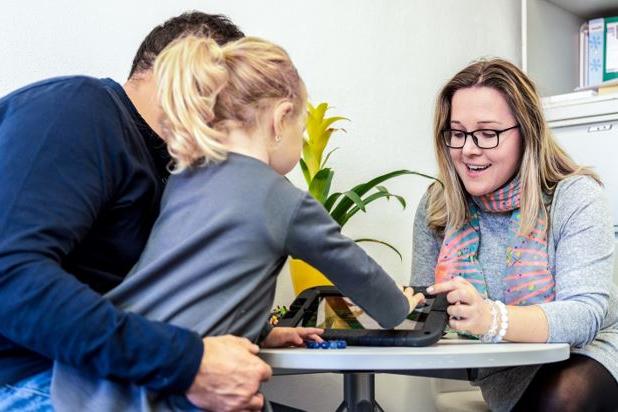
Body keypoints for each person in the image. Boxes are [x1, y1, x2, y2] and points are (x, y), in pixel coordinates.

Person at [49, 34, 424, 411]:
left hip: (101, 381)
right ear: (280, 119)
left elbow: (192, 281)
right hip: (178, 393)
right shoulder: (280, 198)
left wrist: (264, 331)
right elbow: (359, 273)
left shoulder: (184, 178)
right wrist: (400, 305)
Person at [0, 11, 284, 412]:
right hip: (24, 379)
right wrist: (189, 362)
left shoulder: (171, 170)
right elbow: (9, 276)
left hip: (89, 377)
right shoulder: (80, 109)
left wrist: (253, 327)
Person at [411, 57, 618, 411]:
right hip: (505, 370)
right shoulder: (438, 205)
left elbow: (585, 315)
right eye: (457, 133)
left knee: (563, 399)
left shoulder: (575, 196)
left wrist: (492, 317)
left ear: (527, 132)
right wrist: (382, 310)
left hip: (592, 352)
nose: (468, 149)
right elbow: (425, 311)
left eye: (488, 133)